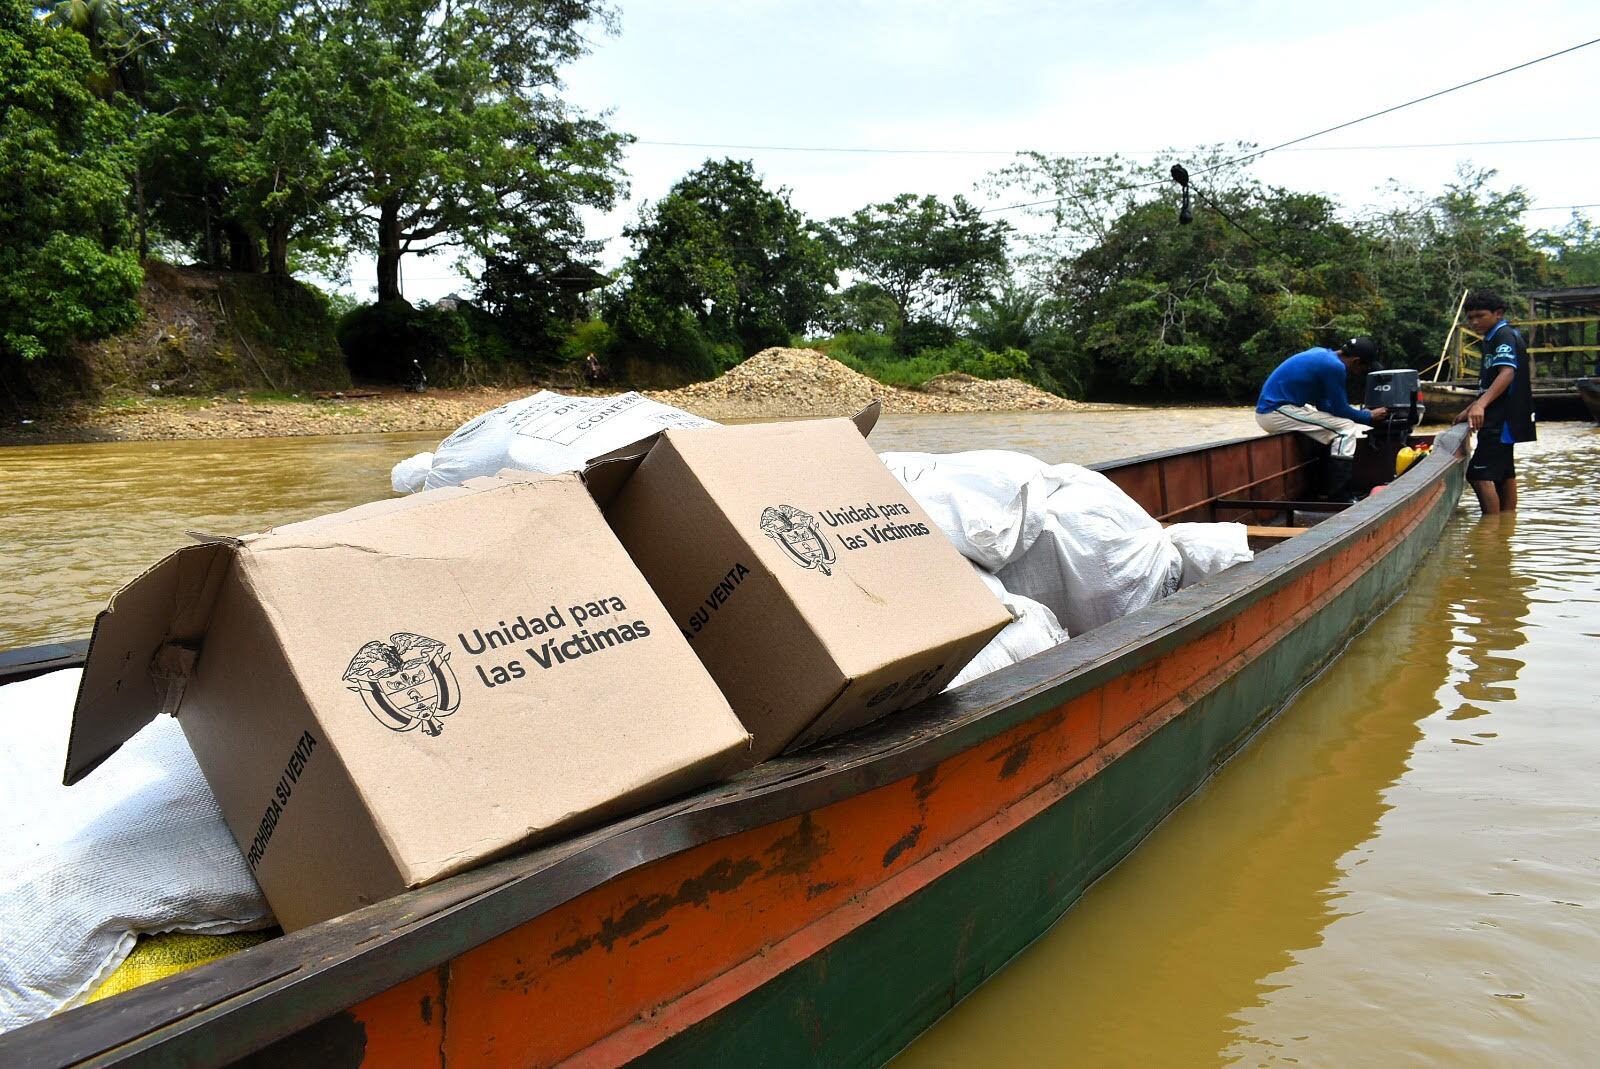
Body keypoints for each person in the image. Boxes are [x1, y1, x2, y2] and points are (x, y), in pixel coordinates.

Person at [1255, 336, 1387, 502]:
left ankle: (1322, 488)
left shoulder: (1324, 356)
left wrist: (1363, 415)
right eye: (1365, 368)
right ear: (1356, 361)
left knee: (1336, 423)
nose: (1363, 372)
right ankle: (1339, 495)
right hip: (1274, 411)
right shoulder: (1335, 367)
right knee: (1346, 429)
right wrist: (1369, 416)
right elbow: (1340, 409)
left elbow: (1324, 406)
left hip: (1283, 409)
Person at [1454, 289, 1535, 514]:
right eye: (1470, 317)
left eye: (1480, 316)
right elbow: (1492, 380)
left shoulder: (1502, 335)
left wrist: (1480, 404)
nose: (1474, 322)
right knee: (1504, 473)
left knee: (1478, 474)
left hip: (1501, 417)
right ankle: (1506, 526)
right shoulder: (1498, 335)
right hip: (1505, 414)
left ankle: (1490, 530)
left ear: (1498, 313)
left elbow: (1507, 373)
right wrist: (1472, 405)